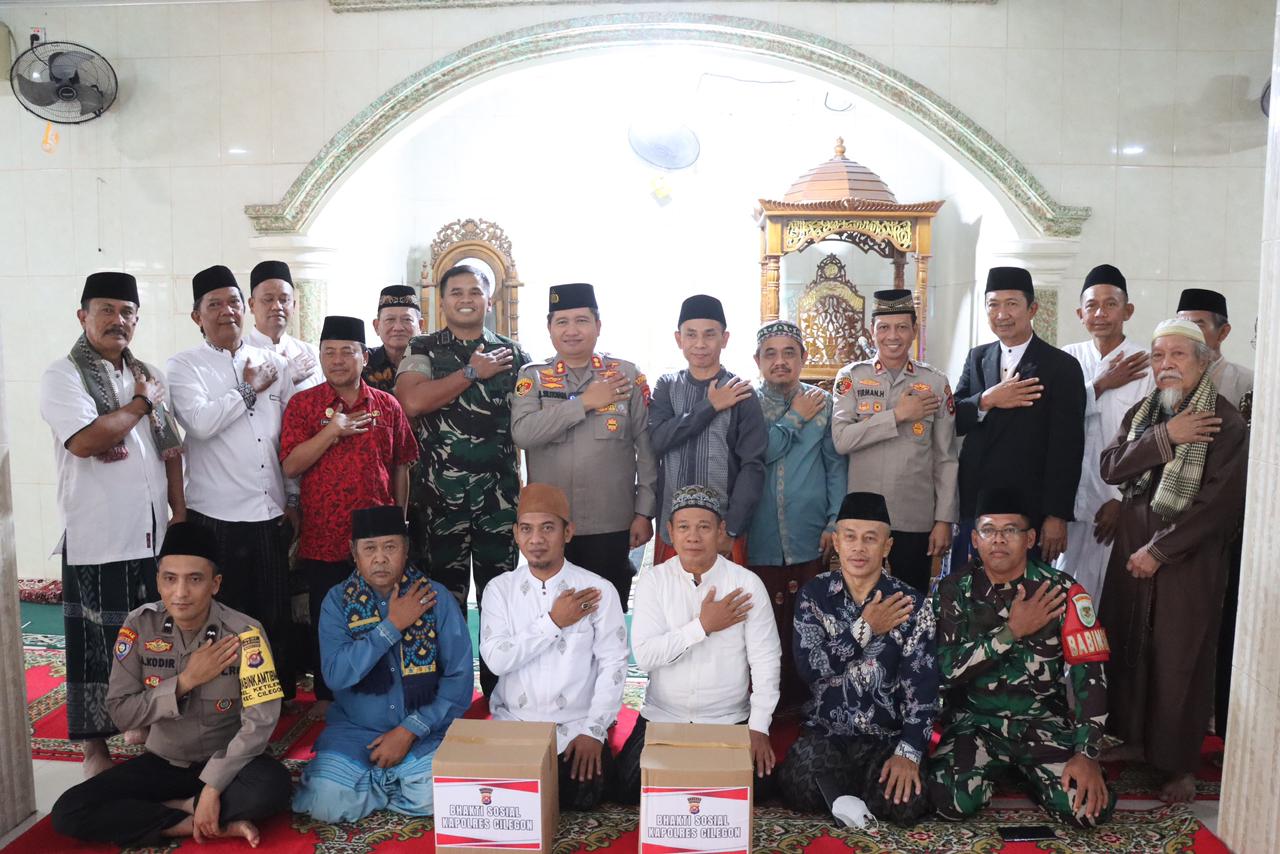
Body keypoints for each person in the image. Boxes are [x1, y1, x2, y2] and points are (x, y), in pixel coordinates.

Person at [50, 522, 293, 847]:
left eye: (195, 579)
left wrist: (213, 786)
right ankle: (189, 819)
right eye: (170, 579)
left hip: (228, 763)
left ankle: (180, 809)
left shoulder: (245, 633)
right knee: (69, 810)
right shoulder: (140, 626)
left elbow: (260, 722)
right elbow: (121, 713)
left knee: (273, 787)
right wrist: (185, 682)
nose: (180, 593)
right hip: (164, 763)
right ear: (158, 582)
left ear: (215, 584)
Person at [39, 271, 185, 776]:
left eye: (127, 312)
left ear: (137, 320)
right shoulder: (64, 375)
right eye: (106, 310)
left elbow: (170, 449)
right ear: (83, 316)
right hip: (98, 535)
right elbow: (85, 441)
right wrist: (141, 404)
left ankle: (152, 727)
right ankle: (94, 747)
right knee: (96, 649)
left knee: (153, 640)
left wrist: (179, 513)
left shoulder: (147, 373)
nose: (117, 320)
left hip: (153, 533)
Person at [1098, 319, 1248, 803]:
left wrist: (1159, 551)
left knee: (1179, 658)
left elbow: (1219, 505)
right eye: (1159, 355)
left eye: (1178, 355)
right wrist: (1166, 436)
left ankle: (1179, 763)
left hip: (1187, 562)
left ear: (1203, 362)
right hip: (1131, 553)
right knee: (1130, 646)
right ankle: (1135, 739)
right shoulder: (1146, 413)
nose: (1166, 365)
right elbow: (1110, 466)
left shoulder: (1225, 423)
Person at [929, 489, 1115, 828]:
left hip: (1041, 723)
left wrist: (1086, 753)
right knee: (947, 801)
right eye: (988, 530)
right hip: (974, 723)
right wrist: (1011, 631)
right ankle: (999, 771)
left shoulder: (1062, 591)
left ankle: (1030, 773)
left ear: (1030, 539)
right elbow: (945, 671)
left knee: (1087, 810)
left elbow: (1090, 673)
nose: (998, 539)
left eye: (1011, 530)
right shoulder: (953, 591)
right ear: (975, 539)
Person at [395, 264, 530, 696]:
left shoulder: (515, 354)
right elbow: (412, 402)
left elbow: (528, 428)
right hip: (439, 504)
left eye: (475, 291)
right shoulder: (422, 347)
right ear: (442, 301)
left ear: (490, 300)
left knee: (500, 601)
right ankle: (445, 694)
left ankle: (499, 693)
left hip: (498, 504)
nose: (466, 299)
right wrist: (471, 372)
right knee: (440, 602)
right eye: (456, 292)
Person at [167, 264, 299, 699]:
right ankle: (223, 704)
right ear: (197, 316)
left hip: (269, 512)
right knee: (224, 618)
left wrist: (292, 499)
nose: (227, 311)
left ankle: (272, 704)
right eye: (214, 305)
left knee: (272, 614)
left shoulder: (274, 364)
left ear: (245, 309)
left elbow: (287, 437)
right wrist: (247, 390)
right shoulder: (183, 366)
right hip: (216, 516)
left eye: (233, 302)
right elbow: (201, 424)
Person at [293, 506, 473, 823]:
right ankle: (391, 783)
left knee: (445, 796)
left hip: (422, 731)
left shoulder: (436, 598)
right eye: (369, 549)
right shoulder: (337, 601)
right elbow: (335, 675)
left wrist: (409, 730)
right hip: (355, 731)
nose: (380, 558)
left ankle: (372, 786)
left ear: (406, 549)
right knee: (325, 803)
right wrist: (391, 627)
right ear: (354, 553)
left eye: (390, 547)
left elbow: (459, 679)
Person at [280, 316, 418, 702]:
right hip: (325, 535)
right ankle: (328, 696)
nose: (337, 360)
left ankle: (385, 691)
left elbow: (401, 465)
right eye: (329, 352)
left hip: (378, 539)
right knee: (330, 618)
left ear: (364, 356)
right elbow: (290, 465)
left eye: (347, 352)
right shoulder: (304, 405)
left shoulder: (387, 405)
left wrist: (400, 522)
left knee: (381, 614)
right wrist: (331, 431)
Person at [778, 492, 937, 826]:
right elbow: (810, 668)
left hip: (886, 738)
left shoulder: (911, 604)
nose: (859, 548)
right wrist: (864, 629)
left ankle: (840, 796)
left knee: (906, 802)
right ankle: (844, 796)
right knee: (799, 782)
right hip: (828, 734)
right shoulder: (814, 596)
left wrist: (908, 753)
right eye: (850, 537)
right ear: (837, 542)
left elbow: (922, 688)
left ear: (887, 546)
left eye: (870, 539)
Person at [616, 485, 782, 802]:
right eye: (684, 527)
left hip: (727, 720)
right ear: (670, 532)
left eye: (704, 527)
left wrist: (759, 727)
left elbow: (766, 661)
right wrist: (702, 627)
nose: (693, 537)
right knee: (627, 786)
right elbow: (646, 656)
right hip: (664, 717)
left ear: (720, 531)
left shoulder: (746, 584)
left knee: (760, 787)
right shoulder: (654, 581)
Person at [480, 483, 629, 810]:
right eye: (527, 529)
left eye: (548, 528)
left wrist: (594, 731)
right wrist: (554, 622)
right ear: (516, 534)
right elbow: (497, 661)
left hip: (575, 728)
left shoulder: (597, 590)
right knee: (500, 798)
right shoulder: (499, 590)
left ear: (568, 532)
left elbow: (614, 664)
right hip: (515, 725)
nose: (536, 539)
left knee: (582, 793)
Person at [511, 283, 657, 607]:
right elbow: (523, 433)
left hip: (612, 522)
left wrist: (644, 512)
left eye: (581, 320)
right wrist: (585, 403)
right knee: (553, 614)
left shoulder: (625, 375)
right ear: (549, 328)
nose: (572, 330)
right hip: (549, 527)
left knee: (609, 612)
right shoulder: (533, 377)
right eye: (562, 322)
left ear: (598, 326)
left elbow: (646, 449)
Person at [953, 267, 1086, 564]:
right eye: (993, 305)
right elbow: (955, 418)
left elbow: (1067, 448)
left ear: (1032, 309)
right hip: (977, 505)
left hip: (1030, 508)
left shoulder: (1061, 366)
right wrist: (987, 400)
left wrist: (1056, 515)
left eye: (1011, 304)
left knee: (1026, 588)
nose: (1002, 314)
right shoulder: (977, 357)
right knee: (971, 587)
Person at [745, 319, 845, 710]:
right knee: (762, 622)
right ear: (757, 360)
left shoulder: (824, 403)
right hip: (759, 536)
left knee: (810, 622)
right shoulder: (746, 404)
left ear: (803, 357)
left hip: (811, 533)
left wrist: (835, 520)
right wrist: (794, 418)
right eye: (770, 354)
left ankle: (808, 705)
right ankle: (763, 705)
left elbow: (835, 466)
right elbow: (759, 454)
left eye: (789, 353)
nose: (780, 362)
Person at [831, 289, 958, 591]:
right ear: (872, 331)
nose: (893, 336)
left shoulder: (935, 382)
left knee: (911, 602)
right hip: (863, 521)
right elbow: (842, 440)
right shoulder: (851, 377)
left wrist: (944, 520)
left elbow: (946, 457)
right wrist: (897, 415)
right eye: (884, 327)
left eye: (902, 327)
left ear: (914, 330)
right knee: (860, 601)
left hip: (914, 518)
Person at [1055, 265, 1153, 604]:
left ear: (1128, 311)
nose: (1100, 313)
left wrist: (1121, 499)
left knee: (1108, 596)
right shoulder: (1066, 359)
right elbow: (1056, 420)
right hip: (1067, 500)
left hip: (1115, 504)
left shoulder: (1146, 365)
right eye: (1092, 306)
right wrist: (1099, 385)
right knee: (1062, 590)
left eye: (1110, 304)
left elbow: (1148, 441)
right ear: (1080, 314)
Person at [649, 295, 766, 564]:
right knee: (669, 590)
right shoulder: (667, 386)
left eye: (709, 335)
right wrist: (710, 406)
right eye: (691, 334)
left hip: (723, 530)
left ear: (724, 339)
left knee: (726, 592)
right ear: (678, 339)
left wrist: (731, 529)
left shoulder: (741, 393)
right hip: (673, 530)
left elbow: (753, 466)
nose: (700, 344)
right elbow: (657, 440)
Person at [244, 260, 322, 391]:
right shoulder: (239, 354)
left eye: (284, 300)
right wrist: (285, 377)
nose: (277, 306)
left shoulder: (311, 355)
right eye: (268, 299)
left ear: (294, 306)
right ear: (252, 305)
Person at [1176, 288, 1254, 410]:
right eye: (1181, 326)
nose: (1187, 334)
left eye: (1197, 326)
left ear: (1223, 332)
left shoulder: (1246, 382)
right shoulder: (1164, 376)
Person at [364, 285, 425, 393]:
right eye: (390, 319)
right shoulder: (363, 362)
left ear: (420, 325)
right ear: (376, 326)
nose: (398, 328)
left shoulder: (434, 361)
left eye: (407, 320)